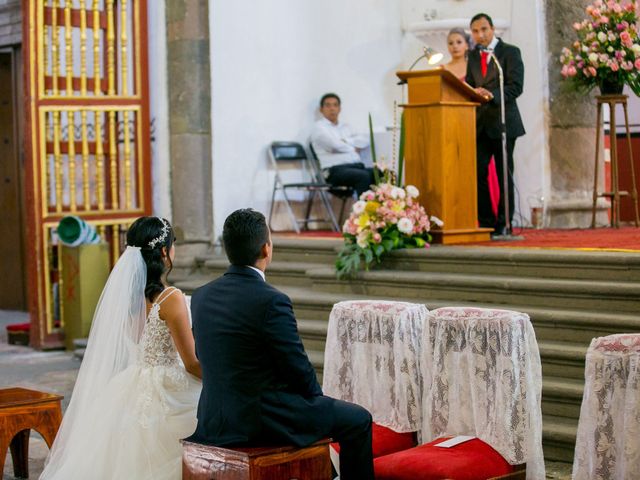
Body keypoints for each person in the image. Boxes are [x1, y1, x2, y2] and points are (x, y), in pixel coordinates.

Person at [188, 208, 374, 480]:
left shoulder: (201, 296)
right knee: (358, 420)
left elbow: (206, 355)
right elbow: (297, 368)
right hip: (261, 420)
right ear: (266, 249)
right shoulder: (271, 300)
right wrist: (315, 399)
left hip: (213, 418)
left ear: (228, 249)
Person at [40, 217, 201, 480]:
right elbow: (192, 363)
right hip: (168, 386)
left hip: (133, 381)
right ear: (164, 252)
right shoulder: (171, 299)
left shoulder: (127, 299)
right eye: (173, 245)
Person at [465, 13, 525, 236]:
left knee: (503, 174)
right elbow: (470, 85)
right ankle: (486, 221)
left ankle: (504, 222)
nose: (480, 35)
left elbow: (516, 86)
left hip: (503, 123)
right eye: (475, 31)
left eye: (483, 30)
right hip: (480, 124)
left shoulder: (509, 52)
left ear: (492, 29)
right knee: (477, 173)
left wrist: (491, 94)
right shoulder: (471, 56)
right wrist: (473, 92)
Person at [310, 92, 375, 195]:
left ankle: (382, 209)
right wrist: (353, 147)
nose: (332, 108)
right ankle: (364, 210)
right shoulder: (319, 128)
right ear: (321, 109)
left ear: (340, 109)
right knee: (363, 176)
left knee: (381, 174)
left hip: (356, 167)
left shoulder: (346, 126)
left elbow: (365, 140)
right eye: (328, 105)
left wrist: (346, 141)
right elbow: (334, 146)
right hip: (333, 171)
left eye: (335, 105)